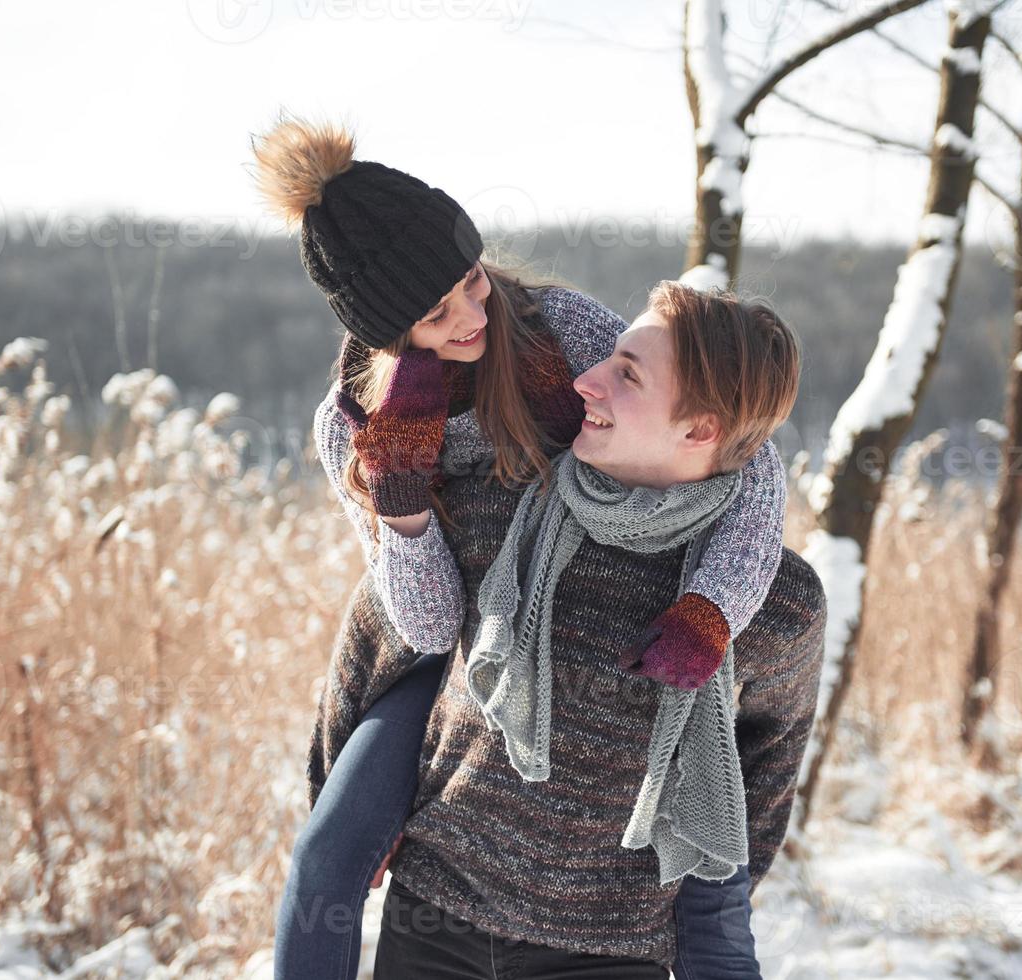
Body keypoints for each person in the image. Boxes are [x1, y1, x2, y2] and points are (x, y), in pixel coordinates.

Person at [252, 117, 793, 979]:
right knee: (327, 854)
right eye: (437, 311)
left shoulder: (556, 332)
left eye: (472, 281)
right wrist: (402, 513)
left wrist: (712, 605)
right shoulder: (350, 426)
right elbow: (427, 629)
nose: (473, 312)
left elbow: (739, 452)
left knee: (700, 879)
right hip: (446, 652)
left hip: (567, 597)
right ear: (389, 329)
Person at [309, 280, 827, 977]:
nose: (586, 380)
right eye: (609, 358)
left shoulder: (775, 601)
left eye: (627, 375)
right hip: (436, 917)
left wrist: (676, 904)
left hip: (608, 951)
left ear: (700, 430)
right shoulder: (497, 509)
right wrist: (339, 820)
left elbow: (769, 758)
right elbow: (372, 646)